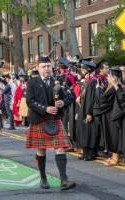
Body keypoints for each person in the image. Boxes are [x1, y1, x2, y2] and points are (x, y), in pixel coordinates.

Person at [25, 56, 76, 191]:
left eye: (49, 66)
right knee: (41, 149)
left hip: (54, 120)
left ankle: (64, 180)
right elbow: (29, 101)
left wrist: (63, 102)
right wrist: (45, 108)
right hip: (39, 119)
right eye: (44, 67)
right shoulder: (32, 83)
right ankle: (43, 178)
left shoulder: (58, 81)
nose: (47, 69)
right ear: (38, 68)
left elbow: (72, 96)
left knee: (59, 148)